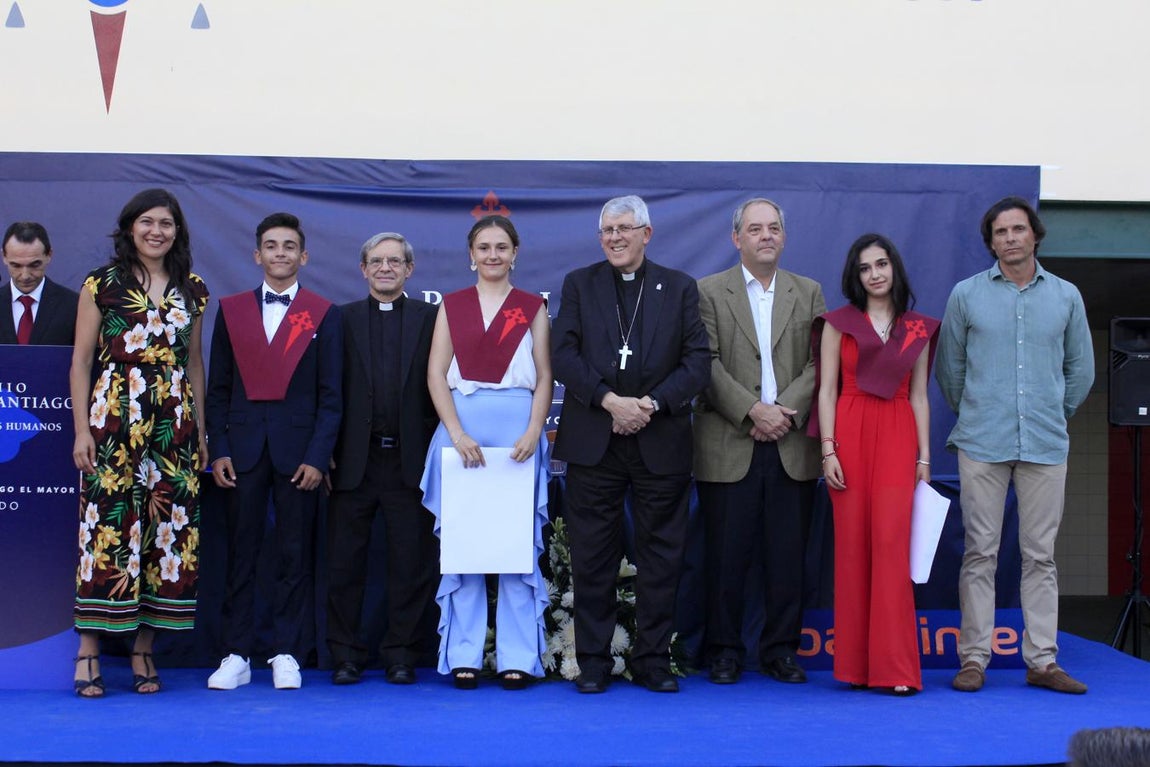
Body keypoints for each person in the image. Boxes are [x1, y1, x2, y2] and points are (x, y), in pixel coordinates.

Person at [552, 195, 710, 693]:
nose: (615, 238)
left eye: (625, 228)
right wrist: (609, 401)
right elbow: (564, 354)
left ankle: (653, 662)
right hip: (594, 440)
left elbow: (697, 363)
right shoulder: (580, 284)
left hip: (658, 438)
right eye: (607, 231)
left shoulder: (680, 288)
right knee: (592, 557)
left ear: (647, 233)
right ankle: (594, 663)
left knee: (661, 558)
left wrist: (649, 405)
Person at [936, 196, 1094, 694]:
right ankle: (974, 660)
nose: (1010, 238)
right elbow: (950, 370)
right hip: (981, 440)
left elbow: (1080, 370)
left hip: (1046, 443)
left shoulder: (1066, 296)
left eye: (1018, 229)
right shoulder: (966, 295)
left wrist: (1051, 412)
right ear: (991, 242)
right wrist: (980, 411)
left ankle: (1043, 661)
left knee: (1039, 556)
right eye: (1000, 232)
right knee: (980, 553)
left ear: (1035, 235)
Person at [70, 189, 210, 696]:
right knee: (104, 532)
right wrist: (82, 429)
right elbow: (81, 362)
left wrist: (202, 430)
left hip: (173, 424)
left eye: (166, 223)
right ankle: (88, 653)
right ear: (130, 227)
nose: (157, 231)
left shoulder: (194, 289)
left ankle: (143, 650)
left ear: (178, 231)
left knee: (165, 532)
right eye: (147, 222)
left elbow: (193, 363)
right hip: (113, 420)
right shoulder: (100, 284)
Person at [205, 212, 342, 690]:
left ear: (303, 256)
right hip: (240, 453)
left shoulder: (324, 314)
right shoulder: (233, 310)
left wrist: (317, 454)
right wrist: (217, 448)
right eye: (271, 245)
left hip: (298, 455)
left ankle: (287, 651)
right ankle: (236, 654)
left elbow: (332, 397)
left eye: (289, 246)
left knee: (293, 554)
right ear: (256, 254)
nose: (279, 253)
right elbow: (218, 389)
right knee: (240, 555)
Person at [693, 198, 824, 685]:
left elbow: (819, 363)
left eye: (773, 228)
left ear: (784, 237)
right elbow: (702, 363)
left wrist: (782, 412)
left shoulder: (808, 292)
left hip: (791, 445)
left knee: (788, 560)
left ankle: (781, 651)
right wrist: (752, 411)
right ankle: (724, 652)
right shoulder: (708, 292)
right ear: (737, 239)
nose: (765, 235)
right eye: (755, 229)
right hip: (729, 443)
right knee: (725, 559)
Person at [418, 215, 551, 691]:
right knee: (465, 548)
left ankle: (518, 658)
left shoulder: (531, 307)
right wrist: (455, 432)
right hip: (464, 430)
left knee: (516, 551)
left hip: (517, 430)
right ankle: (463, 656)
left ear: (515, 253)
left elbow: (544, 374)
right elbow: (436, 374)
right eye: (484, 247)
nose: (492, 255)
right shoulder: (452, 306)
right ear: (470, 254)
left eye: (501, 247)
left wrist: (536, 429)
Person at [813, 233, 938, 695]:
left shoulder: (917, 330)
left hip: (898, 435)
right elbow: (826, 390)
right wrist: (828, 449)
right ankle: (855, 668)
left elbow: (922, 396)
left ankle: (896, 670)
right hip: (847, 433)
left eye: (881, 264)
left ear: (894, 268)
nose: (875, 274)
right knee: (851, 549)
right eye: (865, 268)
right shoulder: (838, 324)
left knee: (890, 546)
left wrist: (924, 457)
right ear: (856, 276)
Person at [326, 232, 439, 686]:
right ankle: (345, 654)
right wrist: (325, 454)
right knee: (344, 565)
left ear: (409, 269)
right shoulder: (342, 319)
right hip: (354, 461)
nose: (386, 268)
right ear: (364, 269)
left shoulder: (432, 319)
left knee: (410, 564)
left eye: (395, 261)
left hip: (411, 461)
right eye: (377, 261)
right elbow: (329, 390)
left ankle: (401, 654)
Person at [1, 221, 79, 345]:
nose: (25, 275)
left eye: (34, 265)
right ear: (3, 257)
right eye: (16, 265)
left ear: (49, 255)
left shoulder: (74, 306)